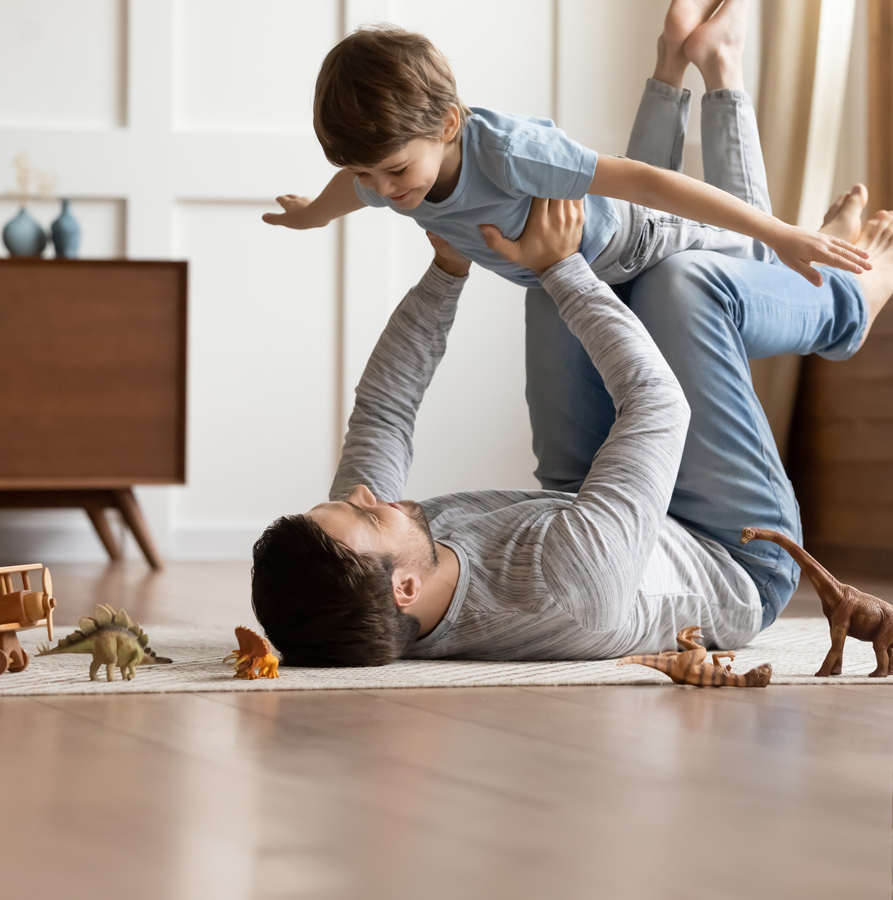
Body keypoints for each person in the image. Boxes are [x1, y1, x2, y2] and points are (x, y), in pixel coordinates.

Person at [250, 190, 893, 666]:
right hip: (733, 550)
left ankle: (797, 263)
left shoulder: (377, 572)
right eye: (364, 515)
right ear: (406, 589)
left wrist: (447, 269)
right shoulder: (566, 588)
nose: (366, 495)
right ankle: (846, 301)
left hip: (590, 505)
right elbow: (658, 406)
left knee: (558, 272)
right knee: (681, 286)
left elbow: (385, 410)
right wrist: (560, 270)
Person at [262, 0, 867, 293]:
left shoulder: (506, 153)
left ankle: (721, 62)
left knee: (757, 263)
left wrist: (778, 232)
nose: (384, 190)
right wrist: (312, 216)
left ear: (448, 124)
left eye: (390, 170)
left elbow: (646, 182)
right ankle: (673, 54)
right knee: (630, 196)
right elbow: (352, 189)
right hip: (603, 245)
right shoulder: (390, 173)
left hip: (637, 240)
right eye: (367, 174)